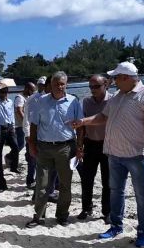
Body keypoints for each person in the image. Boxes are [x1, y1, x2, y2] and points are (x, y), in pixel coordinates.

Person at [72, 61, 144, 248]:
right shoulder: (117, 97)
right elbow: (103, 117)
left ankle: (143, 232)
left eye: (115, 78)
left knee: (141, 195)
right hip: (114, 154)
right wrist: (83, 121)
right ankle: (116, 226)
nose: (113, 81)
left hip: (137, 154)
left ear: (126, 78)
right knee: (116, 192)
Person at [26, 71, 84, 228]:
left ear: (66, 84)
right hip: (44, 148)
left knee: (65, 185)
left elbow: (79, 126)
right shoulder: (41, 101)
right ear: (50, 85)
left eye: (62, 84)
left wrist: (79, 147)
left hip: (66, 148)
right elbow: (34, 125)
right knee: (42, 185)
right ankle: (38, 217)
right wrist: (31, 145)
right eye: (56, 84)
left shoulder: (73, 102)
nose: (59, 86)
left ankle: (62, 215)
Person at [78, 75, 113, 222]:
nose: (93, 90)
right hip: (90, 144)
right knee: (87, 179)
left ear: (105, 85)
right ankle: (86, 208)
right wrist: (79, 145)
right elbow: (82, 126)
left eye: (96, 86)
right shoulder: (86, 102)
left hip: (108, 145)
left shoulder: (113, 100)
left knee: (108, 181)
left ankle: (107, 211)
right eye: (91, 87)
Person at [23, 77, 46, 189]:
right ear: (38, 85)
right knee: (32, 159)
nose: (42, 86)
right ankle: (30, 180)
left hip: (45, 135)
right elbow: (26, 118)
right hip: (33, 134)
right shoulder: (32, 99)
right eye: (40, 84)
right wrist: (27, 134)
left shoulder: (49, 98)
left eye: (44, 84)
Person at [0, 85, 20, 173]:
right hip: (0, 128)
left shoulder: (10, 102)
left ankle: (14, 167)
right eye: (2, 92)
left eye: (6, 92)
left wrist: (13, 126)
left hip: (10, 127)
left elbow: (11, 115)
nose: (4, 94)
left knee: (16, 147)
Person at [15, 83, 36, 150]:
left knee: (26, 144)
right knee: (20, 145)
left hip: (27, 126)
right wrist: (26, 121)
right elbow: (19, 110)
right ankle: (10, 157)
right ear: (27, 89)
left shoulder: (27, 97)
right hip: (21, 126)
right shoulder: (20, 98)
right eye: (32, 91)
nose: (33, 93)